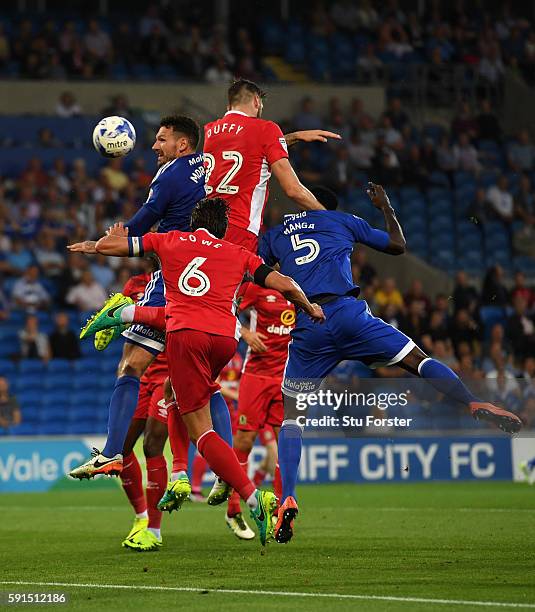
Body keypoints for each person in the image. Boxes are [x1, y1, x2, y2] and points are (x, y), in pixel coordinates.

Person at [258, 184, 523, 544]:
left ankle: (288, 492)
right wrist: (387, 207)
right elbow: (398, 246)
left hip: (309, 324)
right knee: (419, 360)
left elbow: (252, 269)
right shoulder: (343, 220)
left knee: (292, 417)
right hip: (349, 314)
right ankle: (472, 402)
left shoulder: (276, 234)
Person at [69, 198, 325, 546]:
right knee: (183, 390)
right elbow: (280, 282)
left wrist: (104, 241)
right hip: (224, 340)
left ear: (193, 222)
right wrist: (307, 304)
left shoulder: (171, 240)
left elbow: (113, 247)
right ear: (223, 228)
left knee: (200, 431)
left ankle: (250, 497)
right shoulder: (238, 253)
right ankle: (185, 475)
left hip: (186, 336)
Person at [224, 284, 294, 540]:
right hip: (256, 376)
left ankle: (277, 510)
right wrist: (244, 332)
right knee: (244, 441)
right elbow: (225, 310)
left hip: (286, 378)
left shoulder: (301, 289)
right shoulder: (257, 288)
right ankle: (232, 509)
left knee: (284, 443)